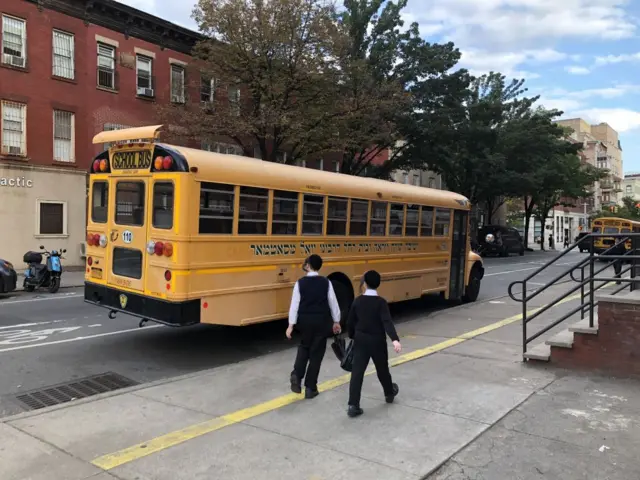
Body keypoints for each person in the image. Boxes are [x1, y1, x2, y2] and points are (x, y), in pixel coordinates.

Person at [346, 270, 402, 418]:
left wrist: (353, 335)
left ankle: (353, 405)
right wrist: (395, 339)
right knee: (382, 369)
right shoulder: (381, 303)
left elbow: (350, 323)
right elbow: (387, 322)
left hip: (361, 340)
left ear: (364, 284)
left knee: (357, 373)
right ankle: (389, 393)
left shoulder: (357, 301)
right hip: (377, 340)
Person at [286, 254, 341, 398]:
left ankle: (297, 375)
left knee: (304, 347)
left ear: (309, 265)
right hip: (321, 322)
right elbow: (333, 303)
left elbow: (294, 305)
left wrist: (291, 325)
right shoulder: (326, 282)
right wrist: (336, 321)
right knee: (316, 354)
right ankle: (310, 388)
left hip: (304, 322)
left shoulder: (300, 283)